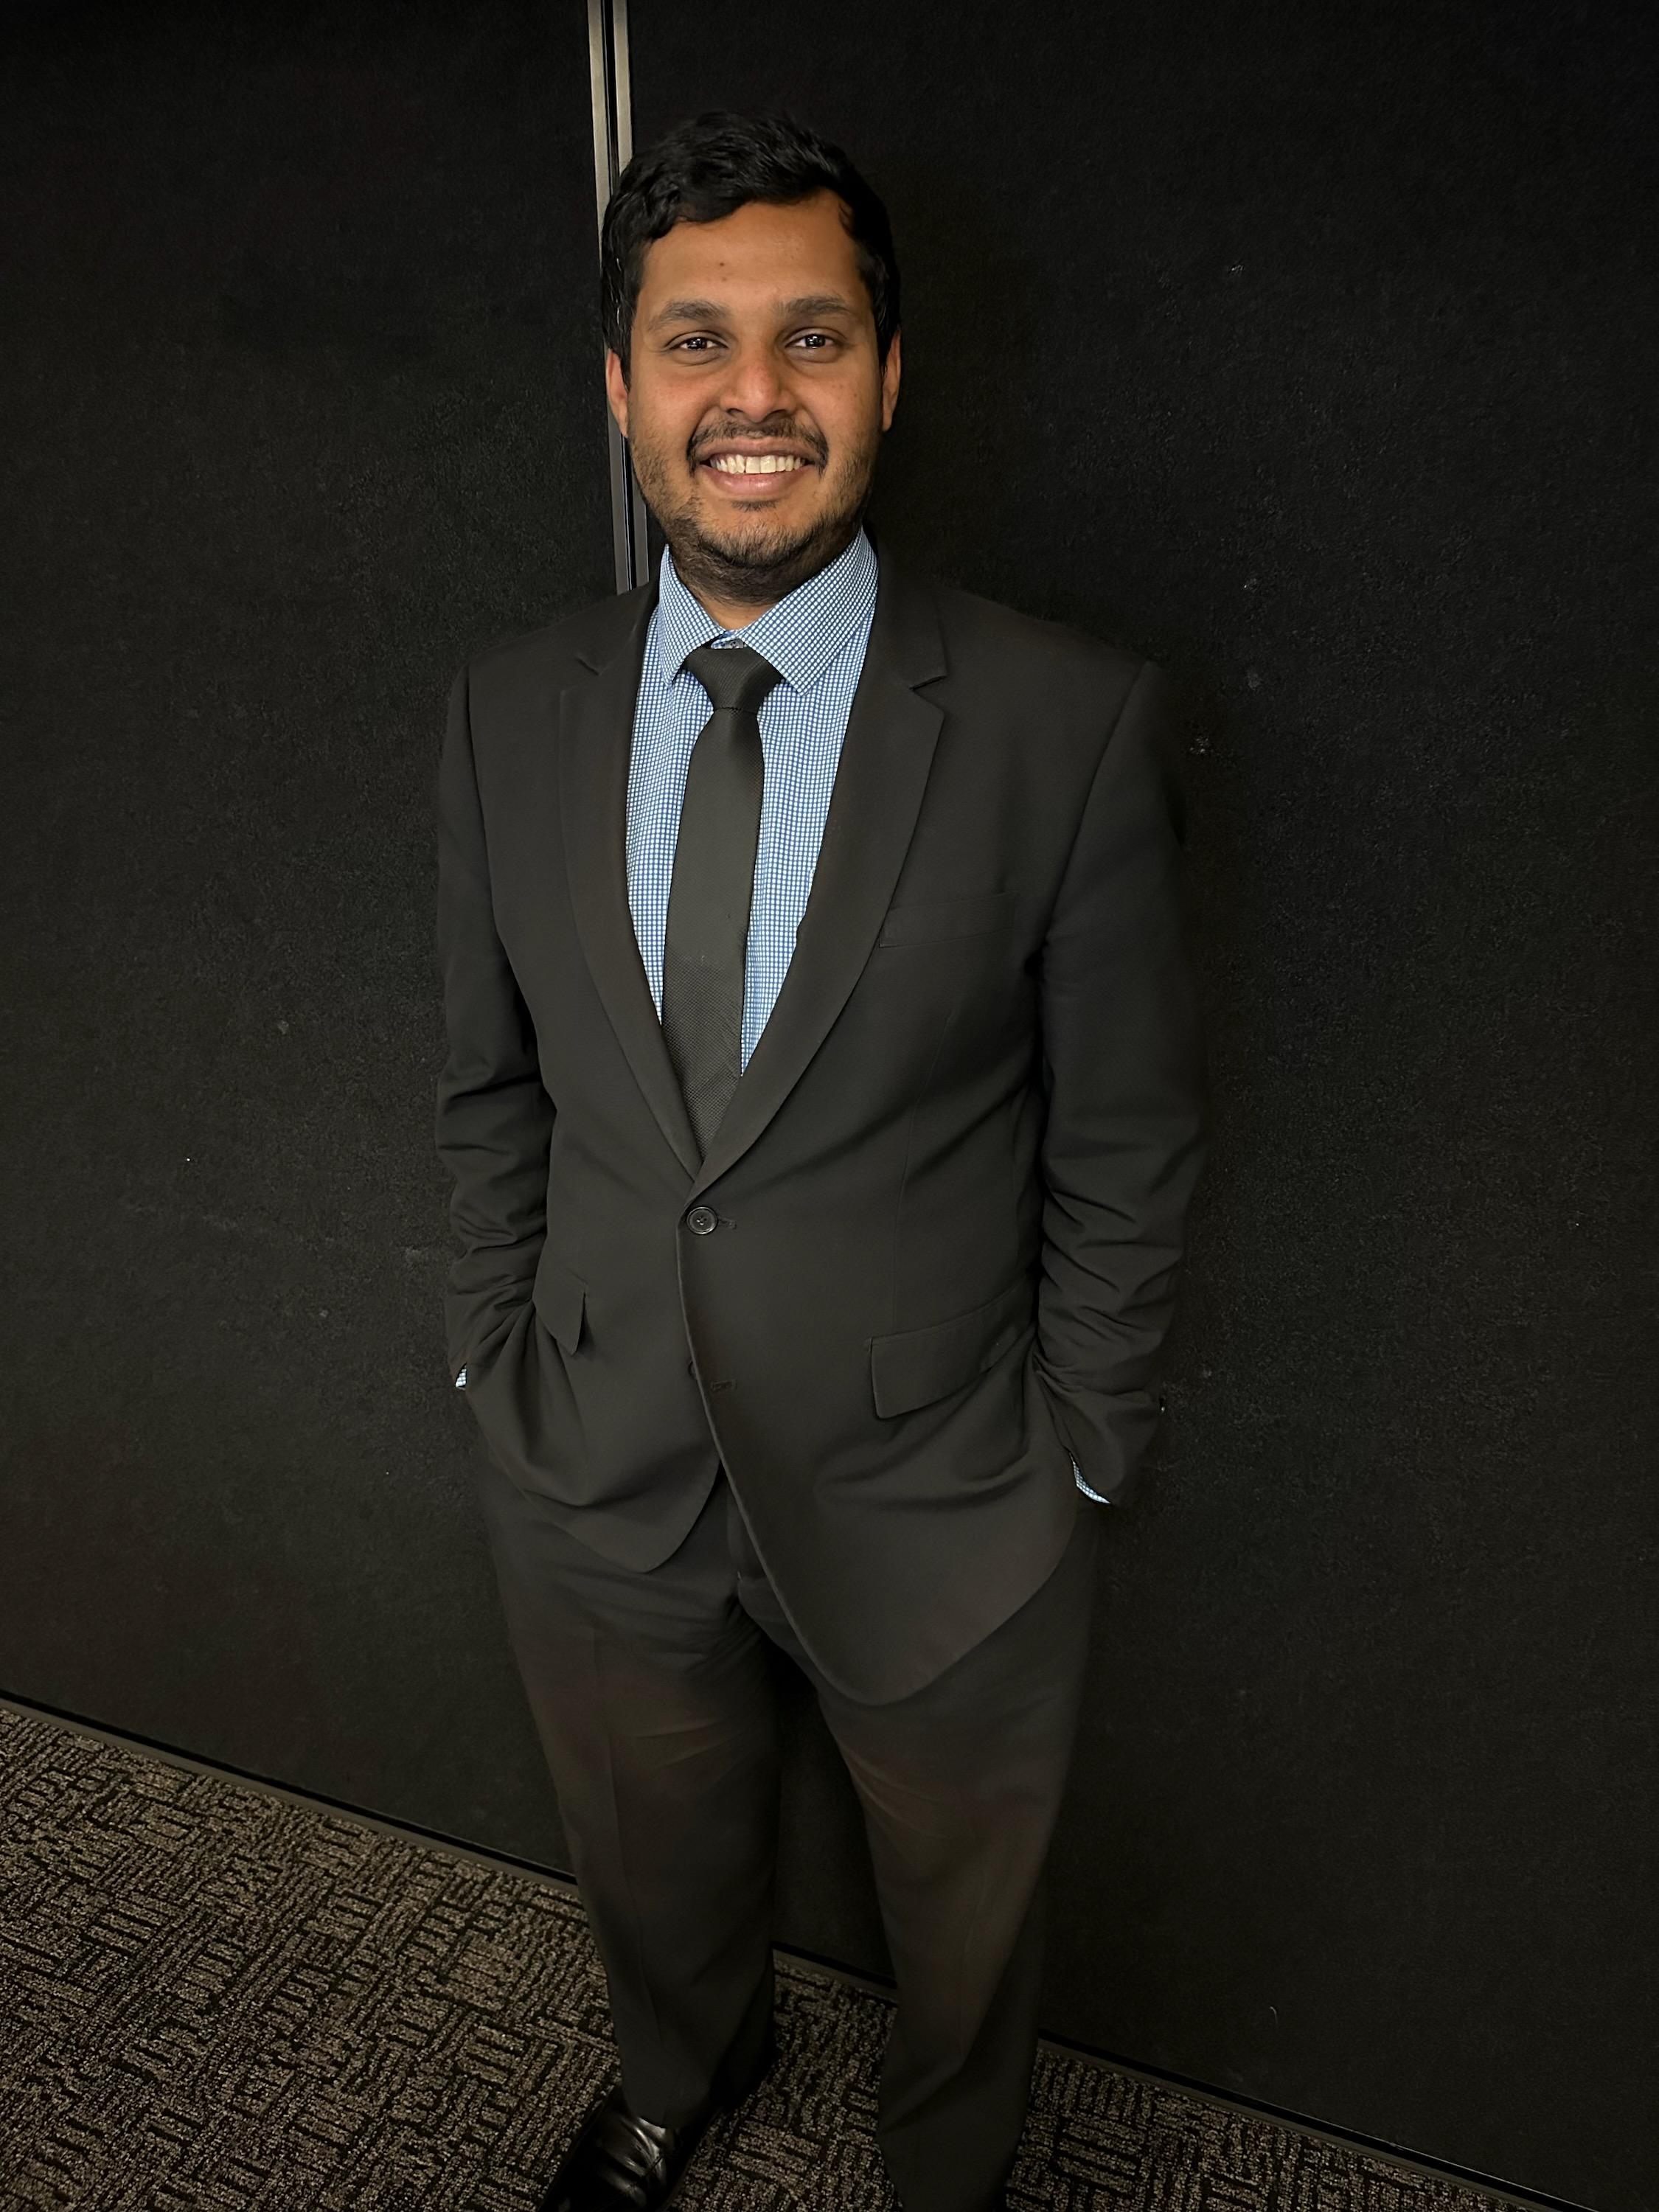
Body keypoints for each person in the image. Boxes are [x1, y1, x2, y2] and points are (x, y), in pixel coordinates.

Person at [434, 106, 1207, 2212]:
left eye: (812, 337)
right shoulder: (503, 710)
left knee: (966, 1916)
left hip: (946, 1487)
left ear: (887, 373)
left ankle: (945, 2167)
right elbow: (486, 1084)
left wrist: (1081, 1451)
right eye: (695, 340)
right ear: (621, 388)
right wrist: (493, 1358)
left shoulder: (1064, 724)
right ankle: (681, 2066)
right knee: (647, 1846)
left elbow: (1128, 1133)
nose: (753, 394)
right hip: (594, 1458)